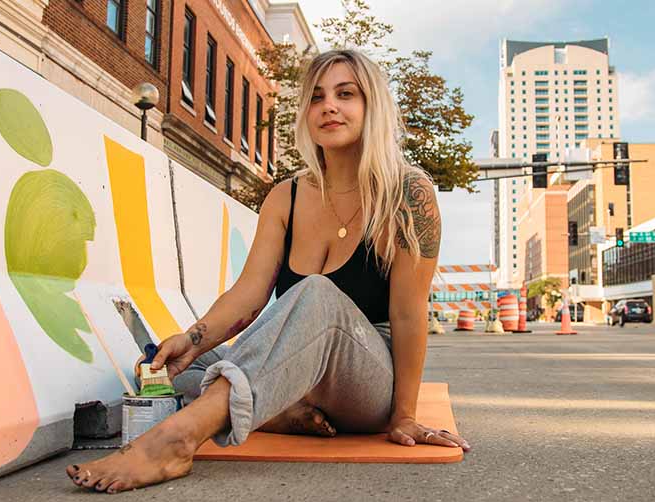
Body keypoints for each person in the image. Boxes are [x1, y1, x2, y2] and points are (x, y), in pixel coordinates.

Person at [66, 49, 470, 494]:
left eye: (345, 94)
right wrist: (191, 337)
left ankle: (177, 438)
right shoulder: (286, 197)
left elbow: (409, 315)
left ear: (372, 106)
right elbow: (249, 294)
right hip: (301, 369)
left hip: (367, 382)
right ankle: (281, 412)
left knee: (316, 293)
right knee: (173, 360)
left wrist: (404, 414)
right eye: (316, 97)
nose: (329, 106)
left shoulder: (408, 192)